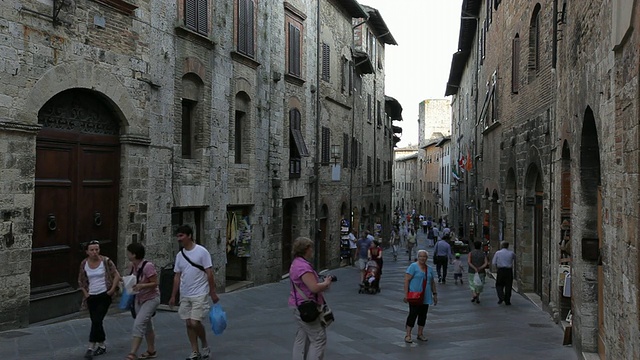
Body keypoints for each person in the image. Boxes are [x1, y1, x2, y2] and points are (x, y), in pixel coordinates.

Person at [169, 225, 219, 360]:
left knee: (194, 322)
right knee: (188, 323)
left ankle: (204, 344)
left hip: (200, 293)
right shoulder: (180, 255)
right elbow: (177, 276)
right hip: (185, 293)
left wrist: (212, 292)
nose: (179, 239)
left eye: (181, 236)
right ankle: (194, 351)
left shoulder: (202, 252)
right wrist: (173, 295)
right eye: (178, 236)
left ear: (189, 236)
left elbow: (209, 273)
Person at [289, 237, 334, 360]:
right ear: (306, 249)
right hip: (306, 306)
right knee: (318, 338)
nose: (312, 251)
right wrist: (326, 282)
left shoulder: (296, 263)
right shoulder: (303, 267)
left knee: (302, 337)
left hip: (298, 304)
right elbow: (313, 288)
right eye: (311, 248)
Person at [78, 240, 121, 360]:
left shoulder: (106, 261)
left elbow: (116, 275)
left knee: (97, 320)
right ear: (87, 252)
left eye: (97, 249)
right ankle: (102, 345)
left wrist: (111, 290)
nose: (95, 252)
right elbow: (81, 280)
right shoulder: (84, 264)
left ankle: (90, 347)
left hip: (104, 294)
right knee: (96, 321)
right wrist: (86, 294)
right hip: (91, 296)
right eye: (92, 250)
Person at [125, 242, 160, 360]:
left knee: (139, 324)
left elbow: (155, 283)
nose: (127, 254)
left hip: (151, 298)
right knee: (147, 324)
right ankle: (151, 350)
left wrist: (142, 286)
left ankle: (132, 353)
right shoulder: (132, 266)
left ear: (134, 254)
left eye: (129, 252)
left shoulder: (147, 266)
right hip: (139, 298)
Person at [403, 250, 437, 343]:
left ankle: (420, 333)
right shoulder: (413, 267)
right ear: (418, 257)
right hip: (415, 296)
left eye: (424, 256)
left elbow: (432, 282)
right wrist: (406, 294)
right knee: (412, 314)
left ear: (427, 258)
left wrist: (435, 294)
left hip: (426, 296)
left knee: (423, 315)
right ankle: (408, 334)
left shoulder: (429, 268)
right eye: (421, 256)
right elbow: (406, 280)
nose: (422, 258)